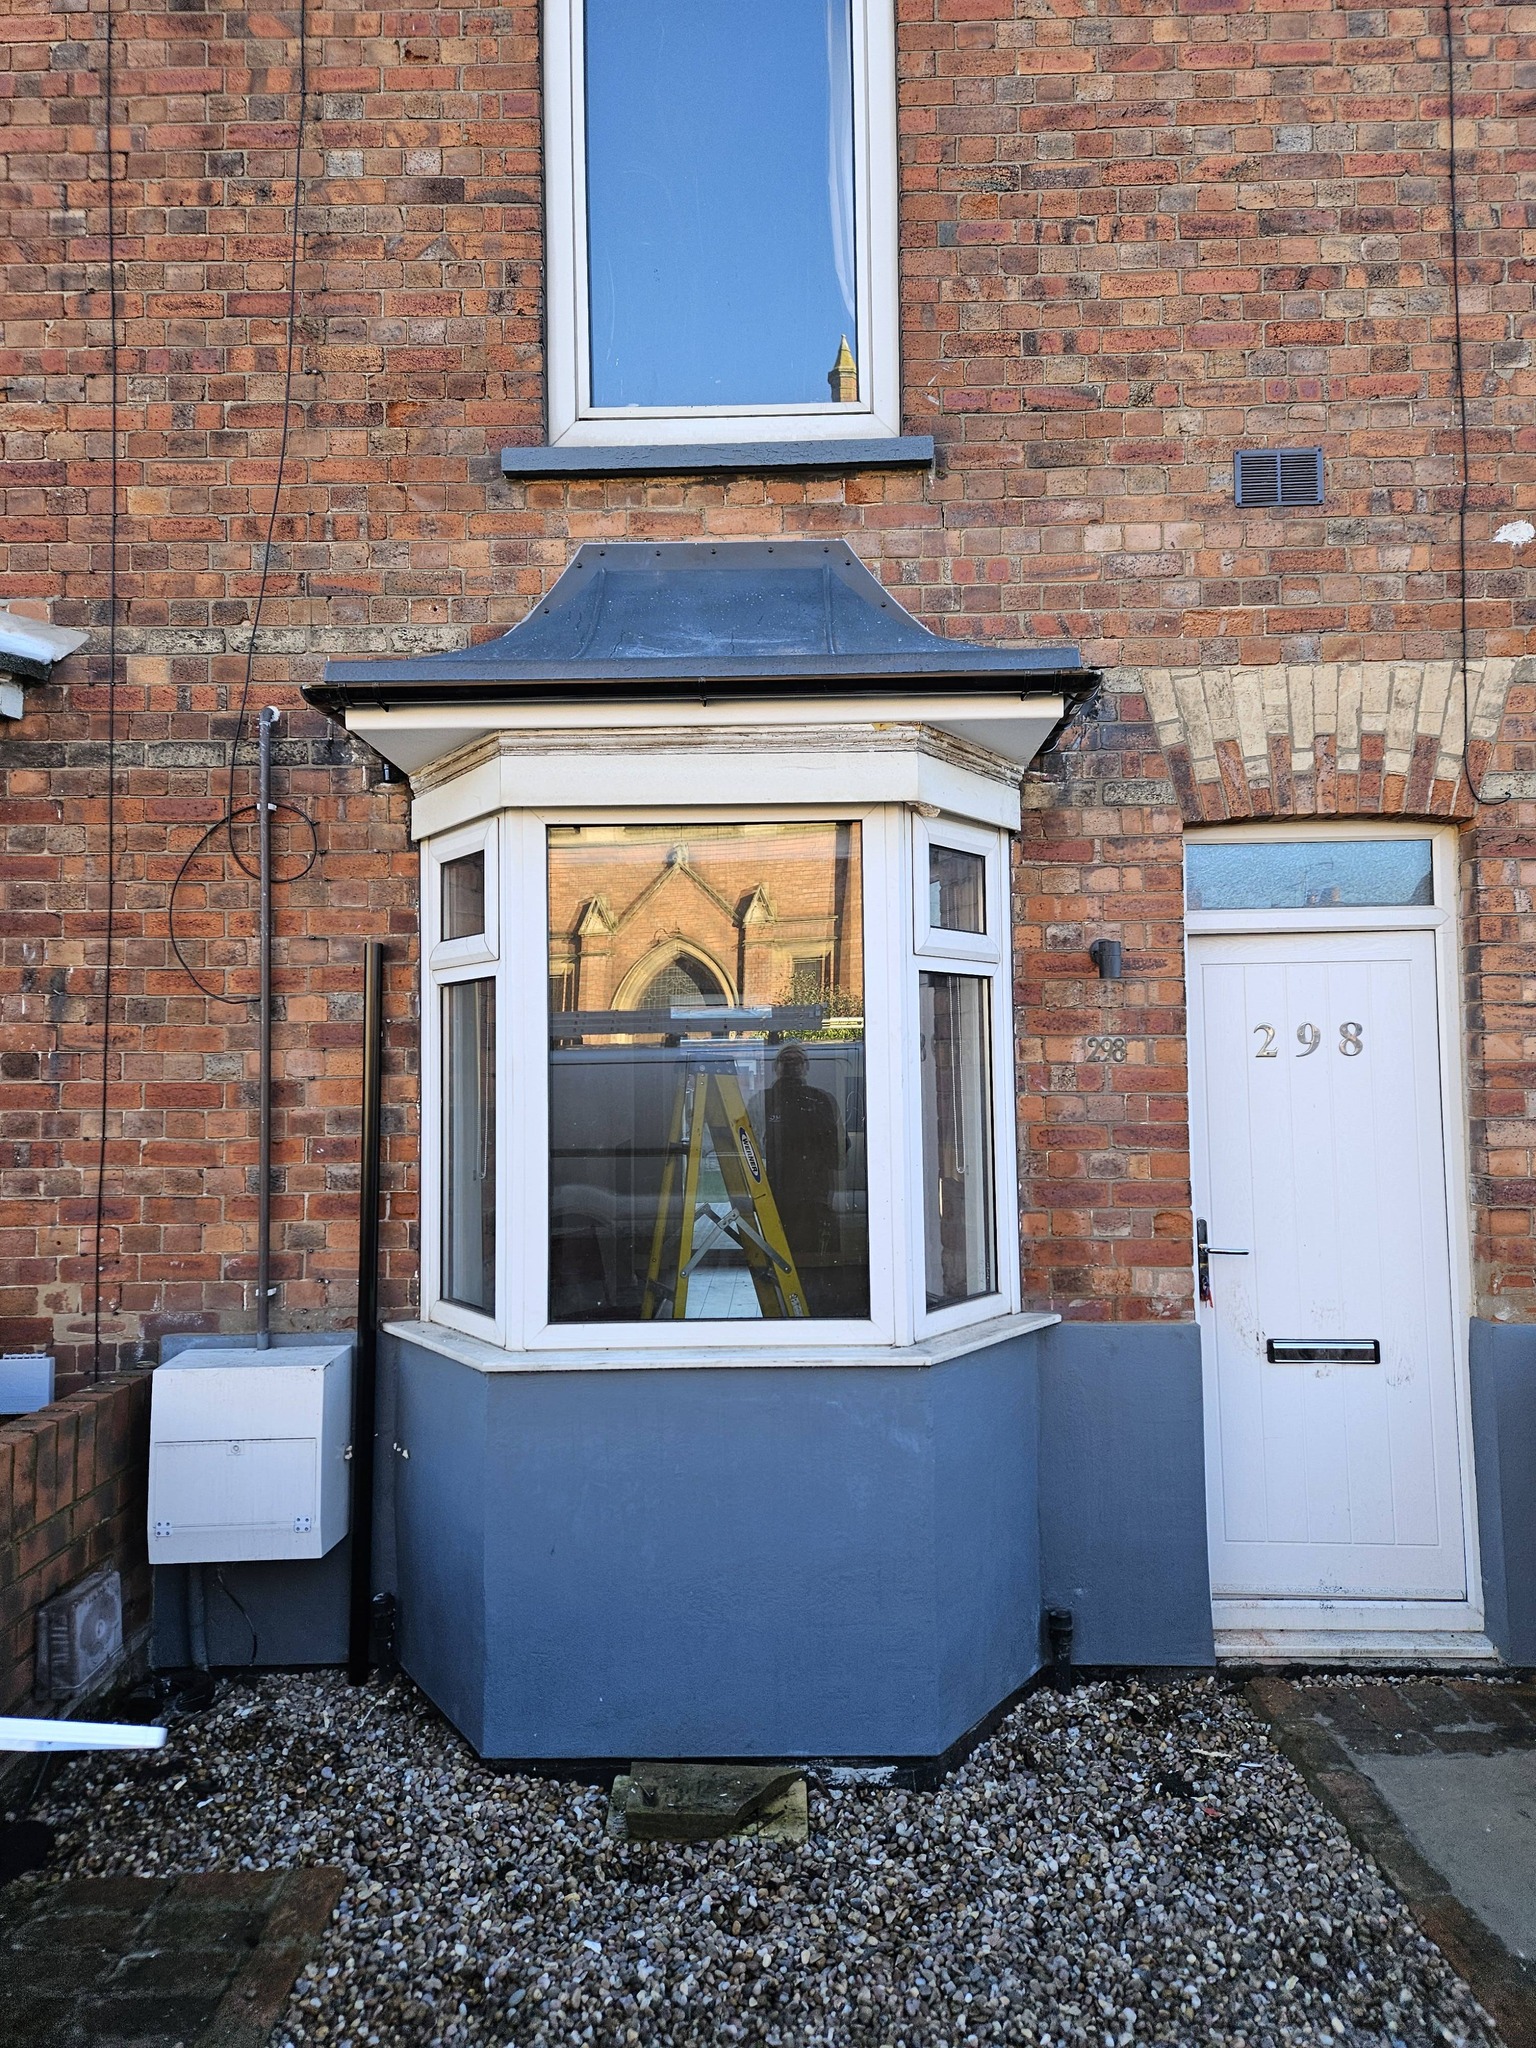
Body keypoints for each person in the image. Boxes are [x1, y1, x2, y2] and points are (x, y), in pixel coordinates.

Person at [756, 1044, 848, 1314]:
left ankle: (817, 1306)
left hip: (817, 1189)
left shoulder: (824, 1099)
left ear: (807, 1066)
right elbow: (754, 1147)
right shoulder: (763, 1100)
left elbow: (838, 1149)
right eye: (786, 1060)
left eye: (798, 1060)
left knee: (817, 1250)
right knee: (781, 1246)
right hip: (777, 1190)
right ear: (777, 1066)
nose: (792, 1065)